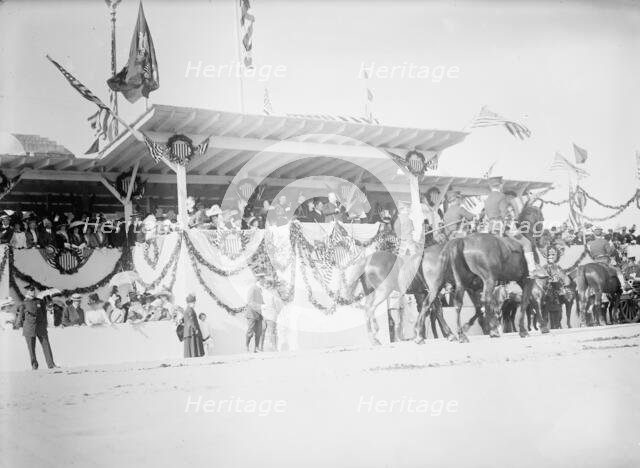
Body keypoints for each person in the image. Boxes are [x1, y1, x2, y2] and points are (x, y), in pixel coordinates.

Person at [21, 285, 57, 370]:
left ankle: (51, 364)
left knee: (46, 345)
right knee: (31, 348)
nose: (33, 292)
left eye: (34, 290)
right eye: (31, 290)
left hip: (40, 327)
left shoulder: (40, 301)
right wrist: (20, 325)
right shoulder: (24, 303)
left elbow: (44, 314)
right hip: (29, 328)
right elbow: (21, 316)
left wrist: (44, 324)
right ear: (27, 291)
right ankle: (34, 366)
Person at [260, 279, 281, 352]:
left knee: (272, 332)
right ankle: (260, 348)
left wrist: (277, 312)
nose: (266, 285)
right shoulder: (262, 292)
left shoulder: (274, 292)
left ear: (271, 285)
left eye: (268, 284)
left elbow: (278, 304)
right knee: (262, 332)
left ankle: (274, 348)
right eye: (265, 284)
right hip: (263, 315)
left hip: (271, 315)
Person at [245, 275, 264, 353]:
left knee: (259, 331)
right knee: (250, 331)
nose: (263, 283)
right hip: (252, 314)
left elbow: (261, 302)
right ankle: (246, 347)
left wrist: (264, 306)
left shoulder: (260, 290)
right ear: (258, 281)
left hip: (259, 314)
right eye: (262, 281)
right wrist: (260, 306)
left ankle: (256, 348)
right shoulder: (252, 288)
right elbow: (250, 302)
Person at [183, 294, 204, 358]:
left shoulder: (187, 309)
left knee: (191, 343)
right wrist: (195, 329)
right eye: (193, 303)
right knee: (193, 343)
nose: (194, 304)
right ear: (189, 303)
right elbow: (192, 321)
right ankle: (193, 355)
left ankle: (191, 355)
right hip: (191, 330)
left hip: (188, 330)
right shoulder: (190, 310)